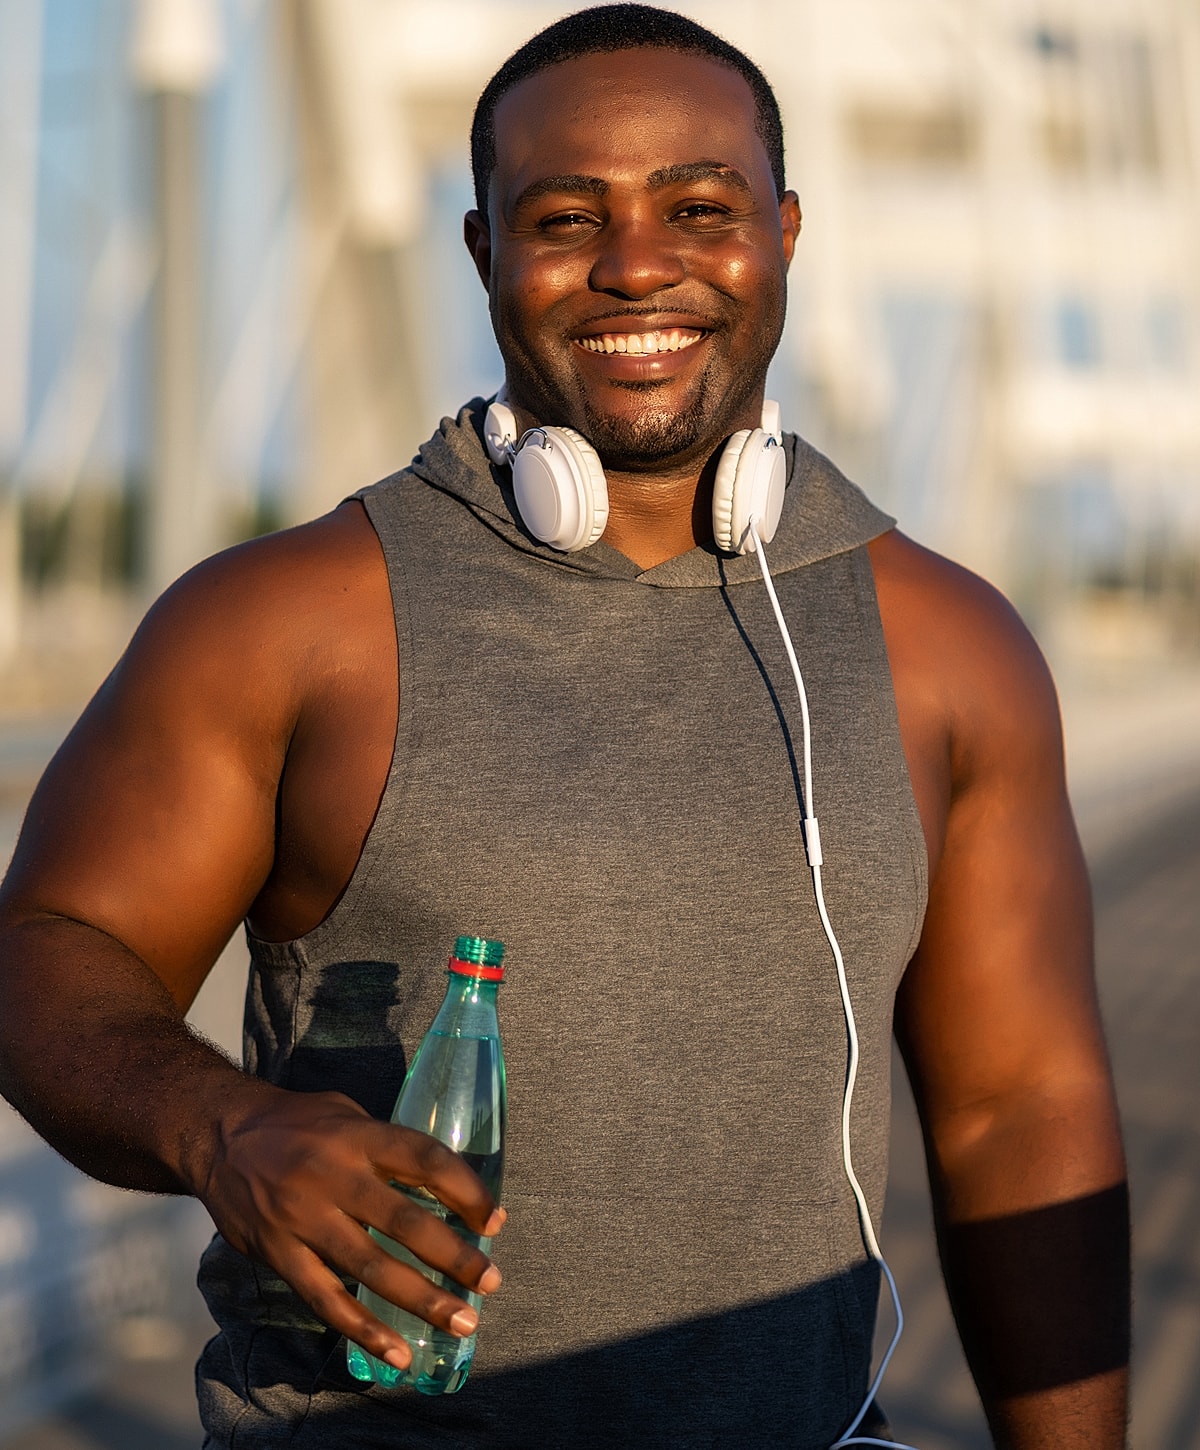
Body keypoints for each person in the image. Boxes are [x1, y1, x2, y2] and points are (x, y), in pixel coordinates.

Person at [0, 6, 1129, 1448]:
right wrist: (223, 1129)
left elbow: (1017, 1107)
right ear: (482, 251)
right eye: (565, 215)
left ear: (784, 232)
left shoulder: (948, 647)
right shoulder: (288, 620)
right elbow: (49, 951)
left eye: (699, 208)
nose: (638, 262)